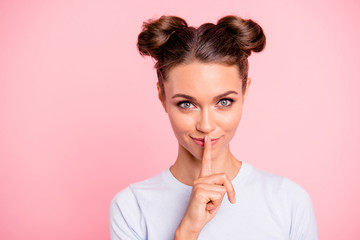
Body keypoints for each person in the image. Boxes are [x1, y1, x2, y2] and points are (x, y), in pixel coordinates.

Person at [109, 15, 318, 240]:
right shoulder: (132, 207)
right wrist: (187, 230)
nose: (206, 126)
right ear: (162, 96)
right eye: (186, 104)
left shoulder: (288, 201)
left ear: (245, 91)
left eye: (224, 102)